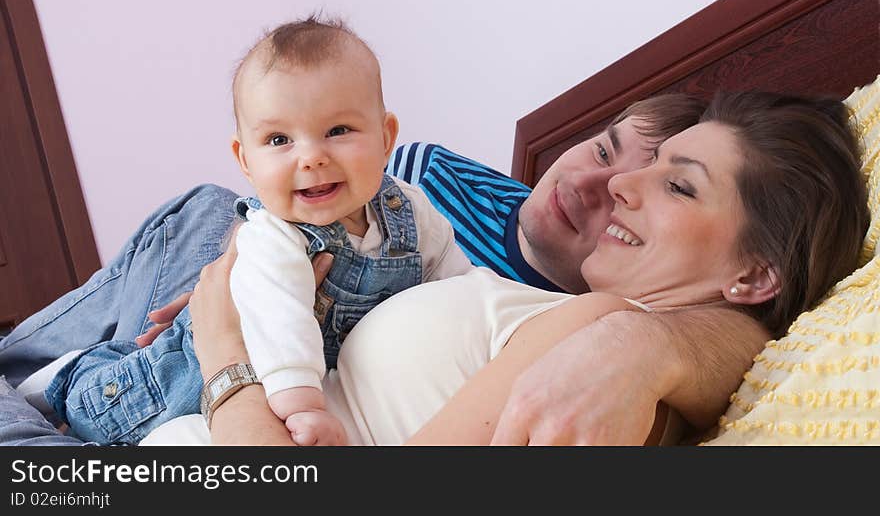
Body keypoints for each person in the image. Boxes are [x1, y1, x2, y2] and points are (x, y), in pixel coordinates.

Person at [0, 85, 767, 446]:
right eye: (602, 149)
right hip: (233, 295)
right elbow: (303, 208)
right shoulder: (438, 176)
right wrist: (243, 262)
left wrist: (225, 348)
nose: (595, 186)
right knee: (211, 211)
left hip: (241, 387)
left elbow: (719, 329)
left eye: (662, 182)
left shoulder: (571, 325)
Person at [155, 90, 867, 445]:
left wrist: (229, 362)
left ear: (753, 277)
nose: (620, 185)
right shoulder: (593, 333)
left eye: (678, 184)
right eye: (617, 156)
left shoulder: (607, 340)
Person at [36, 18, 474, 446]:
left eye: (337, 131)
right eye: (280, 140)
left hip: (286, 379)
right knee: (104, 420)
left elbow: (457, 283)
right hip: (184, 378)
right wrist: (304, 407)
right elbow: (281, 323)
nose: (310, 158)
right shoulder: (274, 234)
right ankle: (67, 377)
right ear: (245, 160)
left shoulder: (407, 209)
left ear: (386, 137)